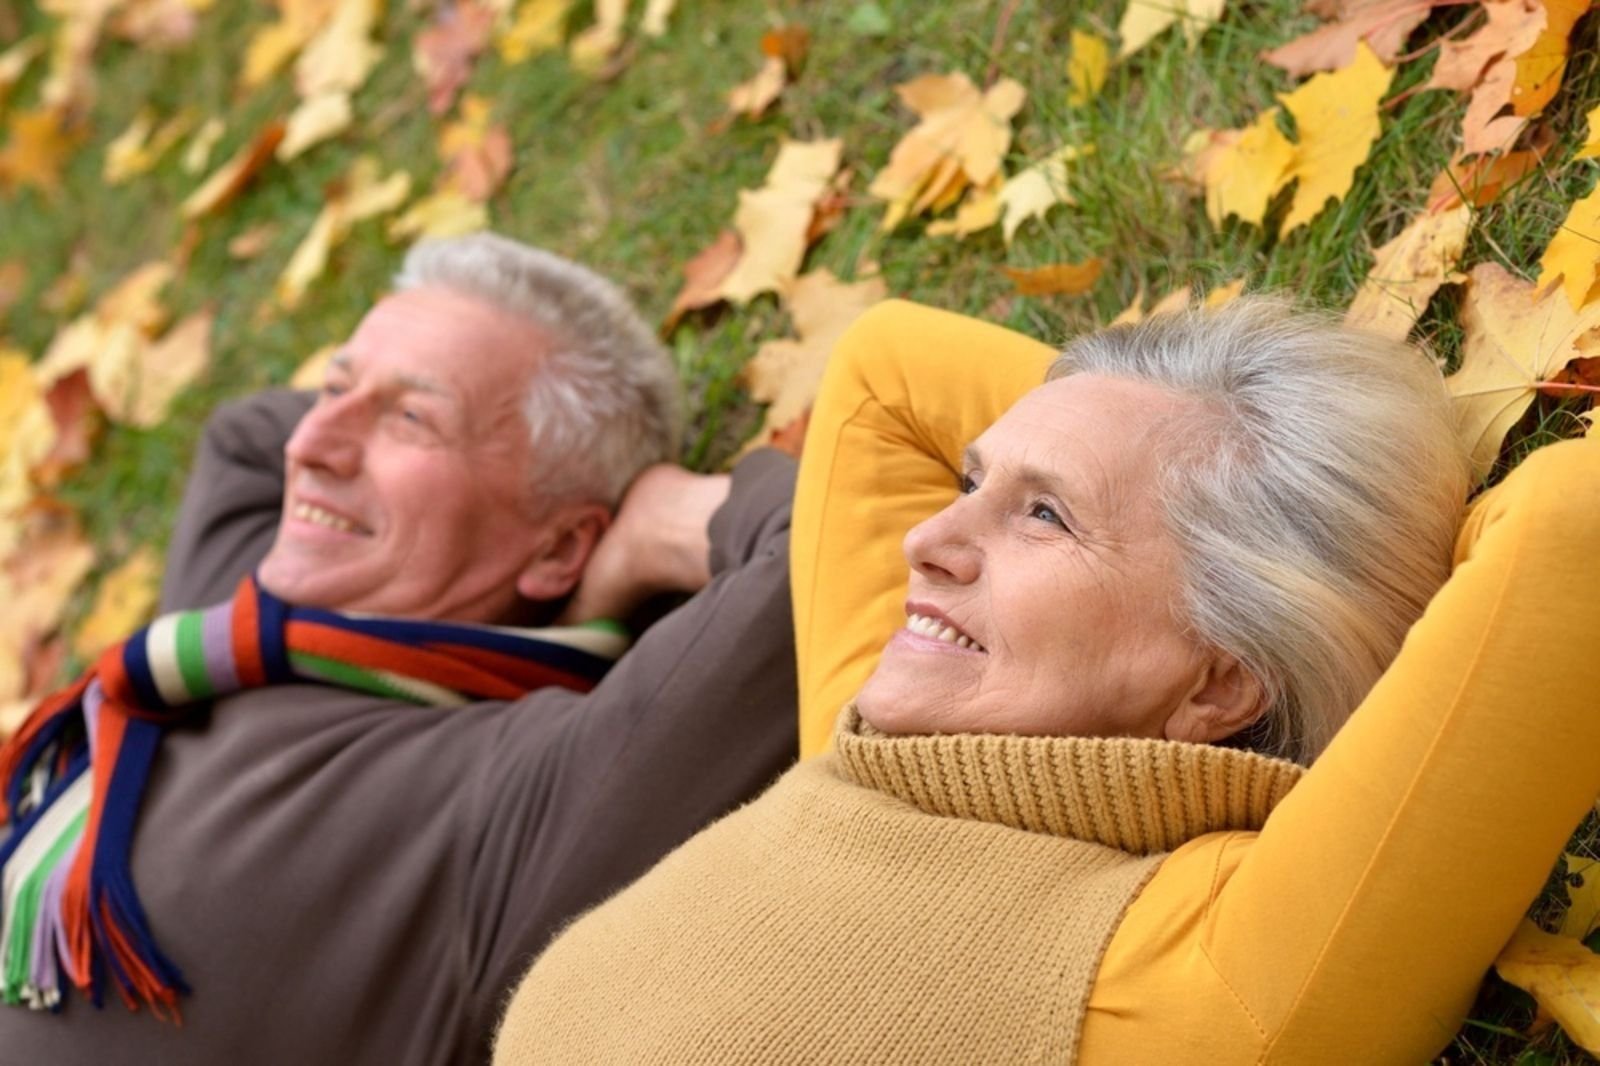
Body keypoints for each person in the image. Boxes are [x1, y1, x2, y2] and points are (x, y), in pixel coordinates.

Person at [494, 297, 1600, 1064]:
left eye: (1042, 516)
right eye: (974, 480)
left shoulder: (1206, 978)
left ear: (1218, 683)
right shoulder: (879, 730)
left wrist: (1340, 543)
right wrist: (1160, 431)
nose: (928, 536)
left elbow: (1571, 531)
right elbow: (884, 373)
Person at [0, 233, 800, 1064]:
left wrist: (656, 526)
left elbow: (805, 580)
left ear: (561, 547)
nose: (310, 448)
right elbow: (247, 436)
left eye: (412, 420)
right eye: (336, 386)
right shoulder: (243, 611)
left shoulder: (510, 802)